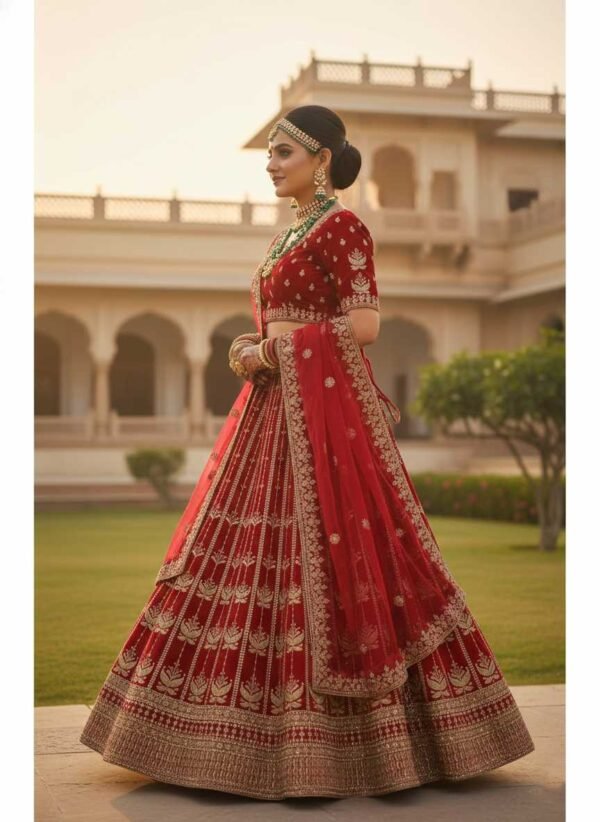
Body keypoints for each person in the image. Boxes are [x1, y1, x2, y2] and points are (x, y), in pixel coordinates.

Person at [80, 104, 535, 800]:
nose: (270, 164)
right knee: (234, 554)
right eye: (269, 152)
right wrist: (253, 346)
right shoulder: (289, 233)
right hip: (273, 413)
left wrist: (269, 350)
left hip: (321, 422)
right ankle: (207, 738)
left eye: (283, 152)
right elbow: (286, 322)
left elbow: (364, 324)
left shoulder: (343, 226)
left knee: (336, 556)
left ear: (321, 159)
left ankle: (361, 749)